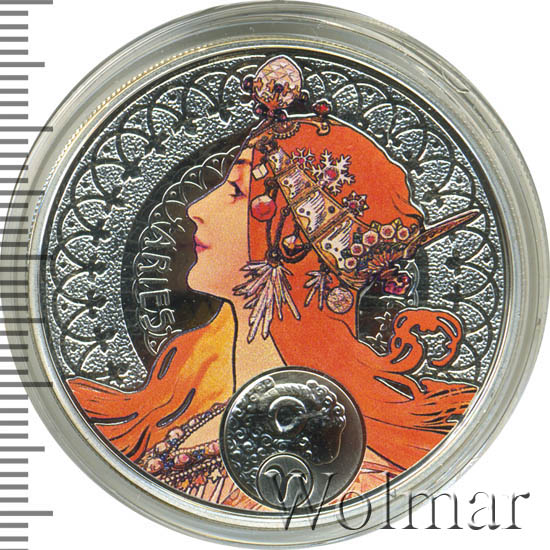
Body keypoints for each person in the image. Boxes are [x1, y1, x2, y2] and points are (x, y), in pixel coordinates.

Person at [67, 56, 478, 509]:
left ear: (292, 240)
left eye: (235, 191)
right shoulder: (187, 405)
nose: (197, 209)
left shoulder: (353, 479)